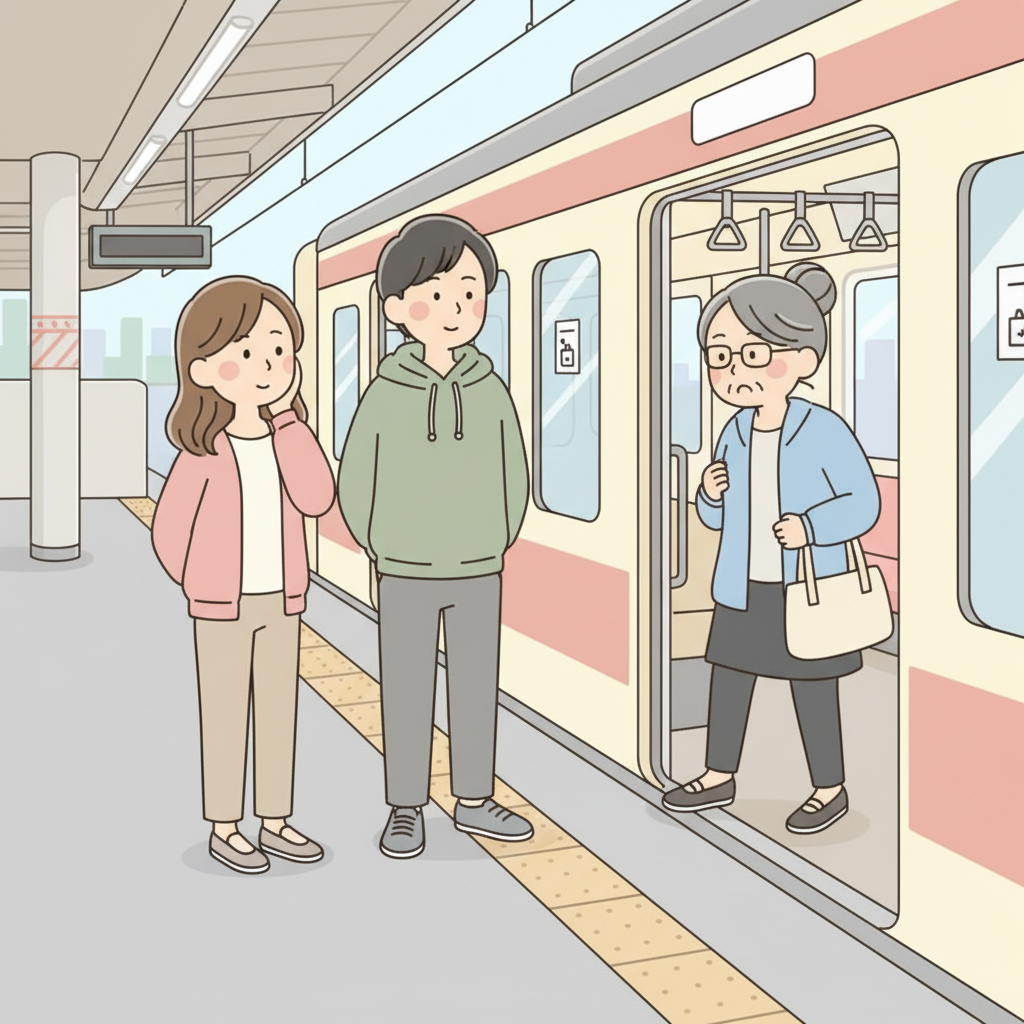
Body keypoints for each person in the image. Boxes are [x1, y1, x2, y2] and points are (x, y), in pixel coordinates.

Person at [338, 214, 533, 858]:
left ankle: (474, 798)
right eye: (439, 294)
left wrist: (495, 540)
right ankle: (405, 805)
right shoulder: (385, 394)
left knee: (477, 685)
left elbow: (515, 472)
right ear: (398, 307)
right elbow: (356, 477)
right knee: (407, 685)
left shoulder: (490, 390)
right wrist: (383, 545)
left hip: (480, 565)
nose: (456, 309)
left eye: (470, 294)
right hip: (404, 568)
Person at [661, 263, 880, 834]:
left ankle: (829, 788)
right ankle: (718, 774)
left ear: (803, 361)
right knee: (729, 679)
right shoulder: (734, 429)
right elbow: (718, 516)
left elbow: (863, 504)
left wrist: (809, 527)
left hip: (804, 587)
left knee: (812, 688)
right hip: (741, 583)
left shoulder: (825, 429)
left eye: (754, 354)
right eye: (720, 356)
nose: (735, 371)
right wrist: (707, 494)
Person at [152, 276, 335, 874]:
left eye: (279, 350)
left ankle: (275, 819)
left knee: (279, 709)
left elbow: (315, 496)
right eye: (247, 353)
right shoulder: (203, 451)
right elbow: (168, 532)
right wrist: (200, 581)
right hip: (221, 607)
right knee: (226, 712)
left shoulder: (288, 438)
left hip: (283, 601)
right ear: (203, 370)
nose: (266, 365)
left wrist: (286, 420)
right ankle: (225, 826)